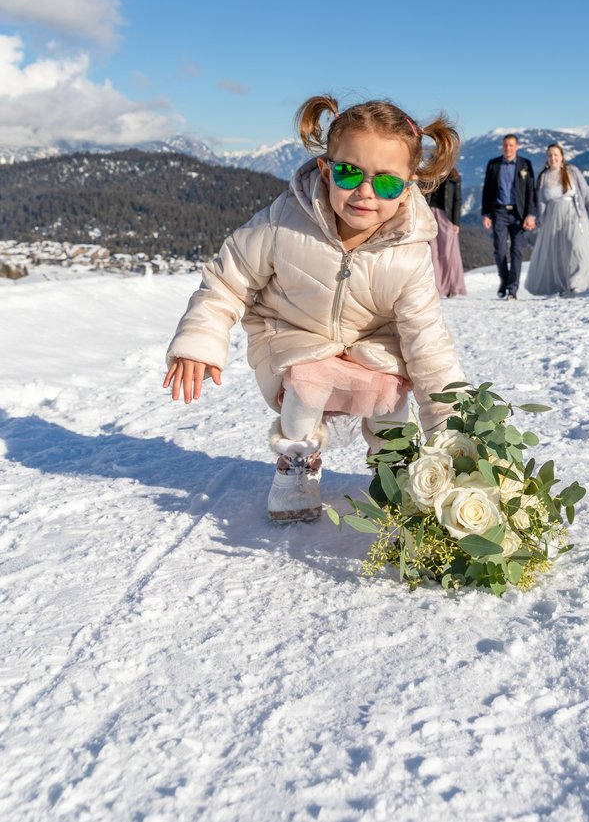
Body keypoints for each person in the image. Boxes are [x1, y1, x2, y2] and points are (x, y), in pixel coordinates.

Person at [163, 96, 465, 523]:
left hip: (370, 348)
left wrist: (453, 435)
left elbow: (428, 344)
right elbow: (228, 279)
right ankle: (297, 464)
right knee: (308, 378)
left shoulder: (409, 254)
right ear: (326, 169)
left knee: (396, 387)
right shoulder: (284, 221)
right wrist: (198, 341)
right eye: (348, 173)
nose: (364, 192)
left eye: (386, 184)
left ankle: (396, 468)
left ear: (408, 187)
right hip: (295, 336)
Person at [525, 143, 589, 297]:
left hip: (574, 214)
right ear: (547, 158)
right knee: (558, 251)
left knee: (576, 246)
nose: (553, 158)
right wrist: (538, 220)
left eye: (556, 155)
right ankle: (561, 284)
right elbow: (540, 201)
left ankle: (576, 283)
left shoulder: (572, 171)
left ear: (562, 157)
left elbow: (586, 193)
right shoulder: (543, 176)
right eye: (550, 155)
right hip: (553, 216)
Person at [481, 134, 537, 299]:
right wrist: (486, 214)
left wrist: (531, 215)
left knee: (517, 251)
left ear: (517, 147)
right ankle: (504, 281)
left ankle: (512, 289)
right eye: (505, 145)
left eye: (511, 145)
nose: (508, 148)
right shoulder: (493, 164)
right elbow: (486, 191)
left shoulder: (525, 164)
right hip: (499, 212)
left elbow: (530, 192)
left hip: (519, 214)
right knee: (499, 251)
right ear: (502, 146)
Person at [425, 167, 467, 297]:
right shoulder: (429, 171)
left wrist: (456, 222)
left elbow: (457, 199)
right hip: (430, 213)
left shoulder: (454, 175)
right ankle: (437, 286)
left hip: (447, 216)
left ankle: (450, 286)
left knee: (448, 252)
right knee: (433, 251)